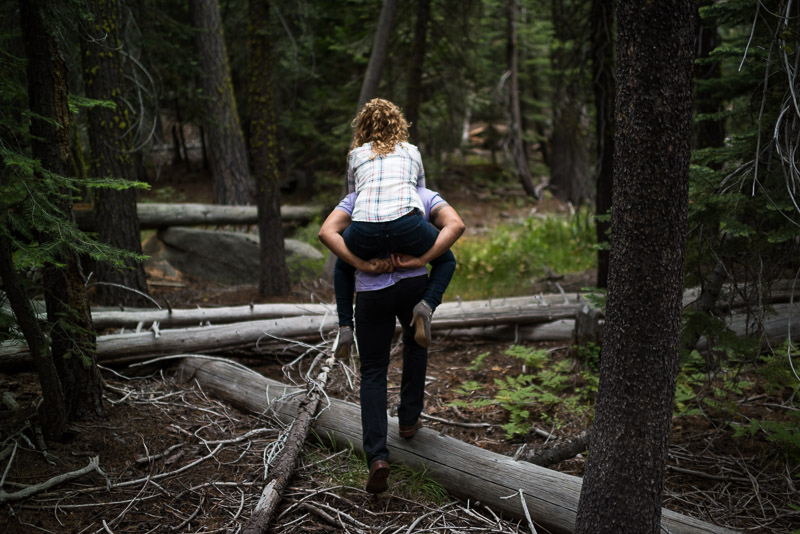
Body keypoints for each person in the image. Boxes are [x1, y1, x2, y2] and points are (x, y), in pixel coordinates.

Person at [318, 187, 465, 494]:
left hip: (372, 294)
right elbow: (451, 234)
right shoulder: (422, 196)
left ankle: (377, 458)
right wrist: (421, 260)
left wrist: (348, 317)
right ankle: (409, 419)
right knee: (415, 346)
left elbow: (339, 257)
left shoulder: (357, 199)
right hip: (413, 284)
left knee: (373, 370)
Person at [334, 98, 453, 355]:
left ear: (362, 127)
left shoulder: (356, 155)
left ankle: (345, 326)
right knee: (447, 260)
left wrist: (363, 262)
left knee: (343, 265)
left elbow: (354, 197)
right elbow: (418, 189)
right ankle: (426, 305)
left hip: (365, 226)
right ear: (398, 124)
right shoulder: (411, 151)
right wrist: (421, 257)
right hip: (406, 223)